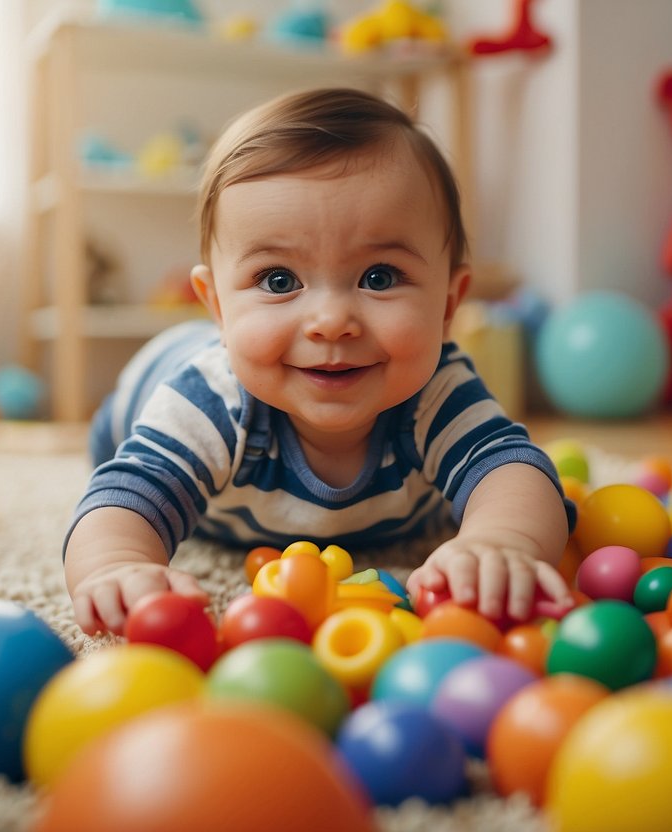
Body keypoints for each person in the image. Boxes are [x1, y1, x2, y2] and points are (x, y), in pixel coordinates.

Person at [64, 87, 575, 635]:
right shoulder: (210, 399)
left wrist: (499, 542)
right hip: (156, 375)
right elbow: (128, 496)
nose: (331, 320)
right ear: (216, 303)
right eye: (278, 280)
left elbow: (513, 470)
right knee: (116, 443)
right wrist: (118, 565)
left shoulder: (437, 389)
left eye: (379, 277)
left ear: (448, 305)